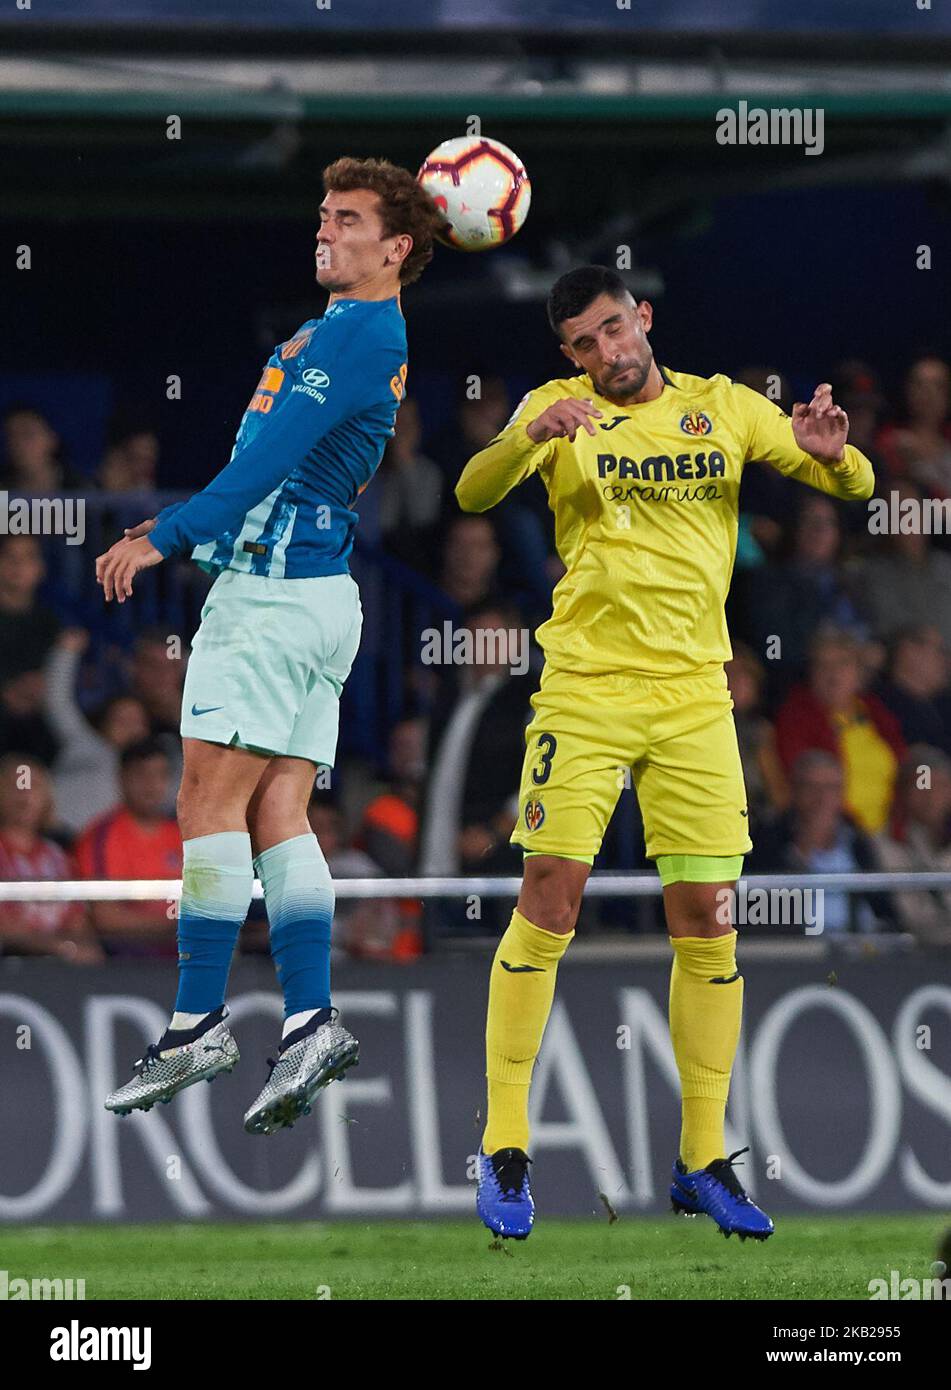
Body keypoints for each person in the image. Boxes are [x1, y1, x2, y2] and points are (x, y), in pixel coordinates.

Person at [454, 264, 875, 1242]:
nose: (607, 352)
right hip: (587, 692)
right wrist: (525, 436)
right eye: (586, 344)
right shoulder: (558, 409)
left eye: (615, 329)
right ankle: (508, 1144)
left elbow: (847, 480)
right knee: (550, 890)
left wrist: (836, 455)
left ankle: (700, 1158)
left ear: (643, 318)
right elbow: (478, 491)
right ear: (570, 356)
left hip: (695, 698)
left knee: (708, 919)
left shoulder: (723, 408)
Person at [97, 157, 440, 1133]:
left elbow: (269, 463)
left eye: (347, 219)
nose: (323, 230)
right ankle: (309, 1020)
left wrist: (159, 534)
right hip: (316, 598)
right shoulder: (355, 330)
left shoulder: (365, 332)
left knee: (205, 796)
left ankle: (200, 1019)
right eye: (322, 214)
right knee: (280, 812)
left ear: (396, 247)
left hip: (273, 602)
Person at [775, 628, 905, 835]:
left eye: (842, 663)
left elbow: (904, 764)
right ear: (811, 673)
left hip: (892, 830)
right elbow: (803, 782)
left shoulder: (874, 709)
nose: (832, 672)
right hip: (838, 833)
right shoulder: (796, 714)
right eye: (823, 665)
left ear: (859, 672)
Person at [73, 738, 182, 956]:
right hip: (128, 956)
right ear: (121, 778)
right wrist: (173, 926)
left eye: (161, 775)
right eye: (142, 775)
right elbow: (106, 919)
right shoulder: (101, 836)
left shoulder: (182, 833)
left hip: (183, 950)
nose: (152, 784)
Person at [44, 628, 152, 834]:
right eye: (121, 720)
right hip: (58, 837)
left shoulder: (156, 767)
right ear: (105, 724)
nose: (129, 727)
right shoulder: (83, 742)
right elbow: (58, 703)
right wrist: (66, 653)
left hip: (114, 852)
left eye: (136, 721)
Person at [0, 754, 102, 962]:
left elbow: (78, 918)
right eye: (15, 785)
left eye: (33, 785)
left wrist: (76, 947)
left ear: (47, 797)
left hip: (60, 966)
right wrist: (57, 947)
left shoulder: (58, 856)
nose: (24, 794)